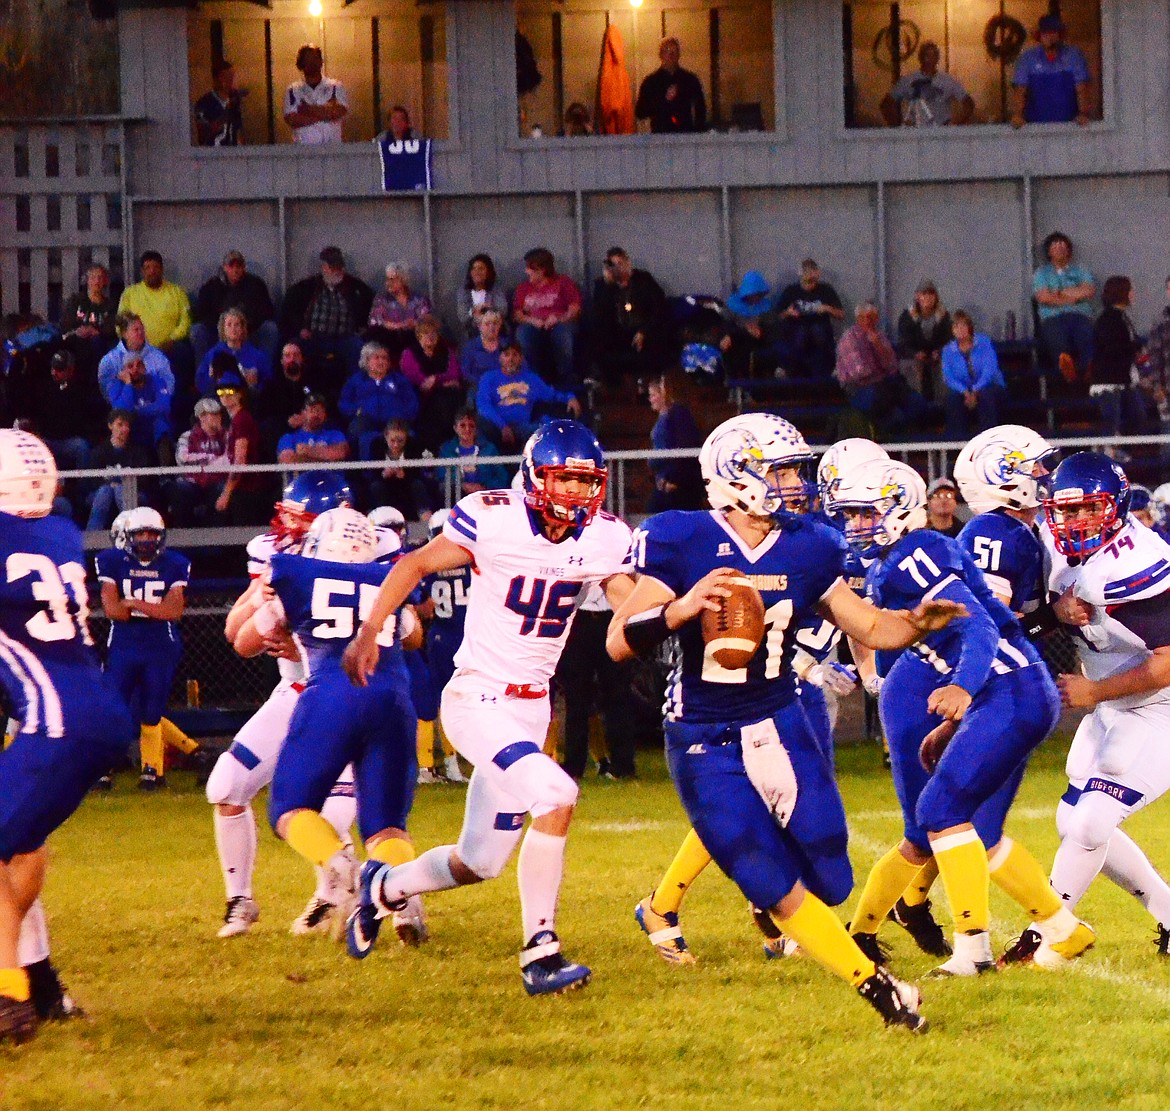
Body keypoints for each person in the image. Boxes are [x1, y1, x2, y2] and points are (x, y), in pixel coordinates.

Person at [607, 413, 966, 1028]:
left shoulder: (809, 545)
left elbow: (869, 625)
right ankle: (879, 991)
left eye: (793, 470)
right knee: (771, 880)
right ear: (735, 474)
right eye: (778, 469)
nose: (793, 482)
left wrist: (914, 624)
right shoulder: (680, 537)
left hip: (778, 716)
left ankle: (767, 883)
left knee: (831, 875)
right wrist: (682, 607)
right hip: (700, 731)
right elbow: (618, 640)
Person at [341, 421, 635, 995]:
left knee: (479, 861)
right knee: (557, 794)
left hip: (531, 708)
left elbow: (628, 601)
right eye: (563, 480)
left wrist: (672, 610)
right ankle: (540, 953)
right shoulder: (494, 517)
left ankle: (383, 888)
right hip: (477, 698)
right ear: (533, 477)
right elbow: (414, 565)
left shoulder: (603, 537)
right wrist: (372, 629)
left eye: (585, 483)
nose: (575, 494)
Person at [836, 455, 1093, 975]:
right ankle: (1059, 932)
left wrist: (959, 689)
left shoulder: (915, 552)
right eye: (851, 515)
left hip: (1009, 688)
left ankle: (986, 947)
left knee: (939, 813)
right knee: (962, 822)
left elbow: (979, 627)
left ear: (897, 509)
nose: (854, 525)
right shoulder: (893, 559)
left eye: (865, 514)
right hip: (1005, 692)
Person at [1001, 451, 1170, 965]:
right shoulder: (1055, 548)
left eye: (1088, 511)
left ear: (1115, 507)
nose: (1074, 523)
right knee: (1074, 819)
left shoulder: (1137, 561)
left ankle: (1047, 934)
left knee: (1090, 823)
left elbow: (1167, 663)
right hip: (1114, 703)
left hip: (1160, 705)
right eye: (1066, 512)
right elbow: (1033, 627)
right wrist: (1052, 615)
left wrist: (1094, 694)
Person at [0, 430, 135, 1043]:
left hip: (54, 717)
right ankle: (39, 982)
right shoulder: (58, 533)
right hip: (96, 710)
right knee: (21, 841)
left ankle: (8, 999)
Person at [207, 473, 360, 939]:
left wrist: (309, 645)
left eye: (302, 520)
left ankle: (343, 895)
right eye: (288, 517)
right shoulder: (278, 557)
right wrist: (265, 601)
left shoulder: (361, 555)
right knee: (226, 785)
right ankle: (241, 899)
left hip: (344, 696)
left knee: (331, 815)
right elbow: (238, 634)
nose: (290, 529)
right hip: (293, 694)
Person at [97, 506, 204, 789]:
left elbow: (173, 611)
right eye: (140, 533)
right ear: (127, 536)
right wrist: (152, 609)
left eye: (151, 533)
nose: (146, 539)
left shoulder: (175, 563)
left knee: (152, 710)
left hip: (160, 647)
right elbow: (113, 610)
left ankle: (152, 770)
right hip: (124, 645)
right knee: (113, 708)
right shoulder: (111, 561)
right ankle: (102, 767)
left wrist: (133, 603)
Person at [416, 508, 472, 785]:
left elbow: (424, 609)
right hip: (472, 636)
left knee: (441, 702)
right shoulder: (473, 563)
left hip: (441, 637)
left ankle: (441, 764)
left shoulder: (430, 568)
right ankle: (459, 761)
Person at [280, 247, 373, 393]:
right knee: (293, 348)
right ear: (323, 267)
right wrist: (300, 329)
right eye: (332, 267)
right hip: (314, 337)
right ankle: (298, 391)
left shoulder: (357, 288)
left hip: (345, 338)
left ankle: (354, 391)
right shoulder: (305, 288)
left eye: (339, 267)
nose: (337, 270)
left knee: (359, 348)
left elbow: (370, 310)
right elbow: (287, 313)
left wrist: (362, 329)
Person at [835, 302, 928, 438]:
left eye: (875, 317)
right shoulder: (849, 339)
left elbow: (892, 366)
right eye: (869, 317)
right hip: (859, 389)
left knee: (917, 402)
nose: (873, 321)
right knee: (893, 413)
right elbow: (859, 372)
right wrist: (880, 372)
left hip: (885, 384)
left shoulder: (880, 336)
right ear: (859, 318)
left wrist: (878, 346)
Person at [116, 251, 194, 408]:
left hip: (169, 347)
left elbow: (185, 322)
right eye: (147, 267)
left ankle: (175, 401)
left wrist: (171, 340)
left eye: (156, 267)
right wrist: (135, 343)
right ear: (142, 271)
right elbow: (120, 324)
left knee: (183, 351)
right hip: (137, 349)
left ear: (162, 269)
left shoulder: (177, 292)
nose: (152, 271)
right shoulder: (130, 294)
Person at [475, 342, 581, 450]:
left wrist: (570, 397)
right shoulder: (489, 378)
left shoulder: (531, 379)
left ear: (521, 358)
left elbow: (551, 394)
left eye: (515, 355)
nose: (511, 359)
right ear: (500, 358)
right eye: (506, 355)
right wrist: (503, 426)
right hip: (496, 427)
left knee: (546, 428)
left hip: (523, 427)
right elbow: (483, 406)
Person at [590, 247, 671, 386]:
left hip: (643, 328)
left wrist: (643, 331)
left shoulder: (644, 280)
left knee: (657, 341)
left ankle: (649, 383)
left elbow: (659, 308)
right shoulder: (602, 285)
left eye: (620, 263)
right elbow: (600, 314)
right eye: (614, 265)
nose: (618, 268)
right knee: (599, 341)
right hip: (618, 331)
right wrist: (609, 286)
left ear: (628, 262)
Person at [191, 251, 278, 368]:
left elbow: (267, 311)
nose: (235, 270)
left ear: (244, 267)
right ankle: (204, 375)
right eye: (231, 266)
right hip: (219, 333)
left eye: (239, 266)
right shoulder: (211, 286)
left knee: (270, 328)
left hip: (249, 331)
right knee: (197, 330)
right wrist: (224, 327)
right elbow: (200, 313)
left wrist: (245, 326)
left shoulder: (256, 285)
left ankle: (265, 372)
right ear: (225, 268)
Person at [512, 248, 582, 388]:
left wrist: (559, 318)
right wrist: (532, 321)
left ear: (541, 269)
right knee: (523, 334)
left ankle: (566, 381)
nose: (527, 272)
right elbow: (517, 315)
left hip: (560, 323)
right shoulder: (524, 288)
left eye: (530, 268)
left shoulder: (563, 282)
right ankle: (533, 381)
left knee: (563, 335)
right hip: (534, 324)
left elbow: (575, 309)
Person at [1091, 275, 1148, 444]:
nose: (1133, 294)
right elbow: (1112, 347)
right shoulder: (1108, 319)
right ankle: (1106, 452)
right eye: (1130, 290)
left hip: (1124, 378)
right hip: (1109, 379)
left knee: (1137, 416)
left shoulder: (1122, 318)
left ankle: (1122, 449)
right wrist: (1133, 349)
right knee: (1111, 419)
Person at [338, 341, 419, 459]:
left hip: (395, 423)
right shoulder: (355, 381)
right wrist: (357, 410)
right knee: (360, 433)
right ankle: (366, 474)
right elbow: (343, 404)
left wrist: (401, 415)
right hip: (366, 423)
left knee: (409, 434)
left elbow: (413, 403)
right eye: (377, 358)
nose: (381, 362)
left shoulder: (399, 380)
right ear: (367, 361)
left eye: (385, 358)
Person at [1033, 231, 1095, 382]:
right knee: (1057, 338)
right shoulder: (1042, 273)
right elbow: (1044, 297)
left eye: (1063, 246)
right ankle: (1066, 368)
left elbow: (1088, 291)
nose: (1060, 249)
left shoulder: (1080, 270)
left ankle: (1089, 367)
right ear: (1049, 251)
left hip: (1080, 316)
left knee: (1087, 335)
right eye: (1055, 246)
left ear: (1069, 250)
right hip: (1052, 317)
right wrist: (1073, 297)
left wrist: (1058, 294)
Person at [1011, 14, 1092, 127]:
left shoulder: (1073, 56)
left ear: (1061, 34)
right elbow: (1020, 91)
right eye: (1045, 33)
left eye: (1054, 32)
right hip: (1035, 126)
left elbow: (1082, 89)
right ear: (1039, 35)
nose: (1050, 37)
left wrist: (1084, 114)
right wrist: (1018, 116)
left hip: (1069, 126)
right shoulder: (1028, 58)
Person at [399, 317, 464, 453]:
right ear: (419, 336)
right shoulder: (409, 354)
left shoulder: (447, 352)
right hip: (419, 396)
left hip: (444, 397)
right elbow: (416, 379)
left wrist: (435, 379)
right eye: (425, 333)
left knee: (449, 398)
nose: (430, 336)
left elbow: (454, 374)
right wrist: (441, 381)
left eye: (433, 333)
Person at [774, 260, 844, 380]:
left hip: (821, 331)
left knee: (817, 330)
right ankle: (790, 370)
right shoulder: (791, 291)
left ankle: (829, 368)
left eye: (813, 281)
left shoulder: (826, 290)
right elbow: (777, 316)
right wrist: (788, 312)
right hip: (796, 330)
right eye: (807, 281)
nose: (811, 285)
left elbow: (841, 315)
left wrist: (828, 309)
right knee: (801, 333)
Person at [940, 310, 1004, 440]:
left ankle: (989, 441)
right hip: (964, 391)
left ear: (970, 327)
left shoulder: (984, 343)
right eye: (956, 326)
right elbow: (948, 377)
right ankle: (957, 443)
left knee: (986, 395)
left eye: (963, 325)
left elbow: (989, 371)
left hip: (989, 386)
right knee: (953, 399)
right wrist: (965, 392)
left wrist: (975, 390)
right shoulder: (947, 350)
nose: (960, 330)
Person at [880, 41, 973, 128]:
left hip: (942, 134)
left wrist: (956, 126)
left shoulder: (947, 80)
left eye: (934, 56)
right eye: (927, 55)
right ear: (920, 57)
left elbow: (968, 103)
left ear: (938, 58)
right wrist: (897, 128)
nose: (930, 59)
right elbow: (886, 104)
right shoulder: (908, 80)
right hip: (916, 134)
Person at [646, 371, 703, 512]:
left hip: (677, 483)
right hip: (666, 480)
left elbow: (683, 447)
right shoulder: (669, 416)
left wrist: (674, 479)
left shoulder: (679, 414)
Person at [169, 397, 231, 526]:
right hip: (193, 483)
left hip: (216, 482)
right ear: (202, 417)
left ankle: (216, 535)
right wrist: (210, 458)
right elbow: (182, 458)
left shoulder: (227, 435)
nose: (217, 417)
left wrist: (206, 462)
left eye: (218, 414)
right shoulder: (187, 436)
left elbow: (229, 458)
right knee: (180, 486)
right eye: (213, 414)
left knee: (224, 489)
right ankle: (184, 532)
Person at [215, 374, 268, 525]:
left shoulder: (241, 420)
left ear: (239, 394)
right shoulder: (235, 420)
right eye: (221, 392)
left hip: (246, 489)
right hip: (243, 488)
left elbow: (240, 461)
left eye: (230, 391)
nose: (225, 395)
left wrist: (226, 493)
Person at [85, 409, 151, 531]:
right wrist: (111, 485)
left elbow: (144, 481)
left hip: (133, 492)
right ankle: (92, 535)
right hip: (101, 493)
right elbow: (92, 481)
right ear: (110, 426)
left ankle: (131, 531)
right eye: (120, 424)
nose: (124, 429)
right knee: (105, 491)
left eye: (127, 425)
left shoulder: (138, 452)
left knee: (121, 491)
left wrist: (120, 485)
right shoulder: (98, 452)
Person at [106, 350, 175, 464]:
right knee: (123, 426)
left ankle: (167, 475)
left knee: (161, 424)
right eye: (130, 366)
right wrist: (128, 385)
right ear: (123, 370)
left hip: (153, 428)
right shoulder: (117, 386)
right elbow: (122, 412)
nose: (135, 369)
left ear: (145, 367)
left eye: (139, 365)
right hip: (133, 429)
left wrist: (137, 411)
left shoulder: (156, 380)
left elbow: (164, 407)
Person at [98, 312, 174, 404]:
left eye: (142, 329)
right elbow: (107, 391)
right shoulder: (109, 361)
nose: (141, 332)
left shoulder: (158, 357)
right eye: (136, 330)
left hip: (152, 407)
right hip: (123, 410)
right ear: (124, 334)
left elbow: (169, 384)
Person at [635, 37, 706, 134]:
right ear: (661, 55)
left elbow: (700, 109)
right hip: (660, 137)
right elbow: (640, 112)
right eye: (667, 51)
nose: (671, 55)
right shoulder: (651, 82)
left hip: (685, 136)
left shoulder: (689, 80)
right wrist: (663, 100)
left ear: (679, 55)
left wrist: (698, 134)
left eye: (674, 51)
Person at [196, 308, 272, 397]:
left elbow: (268, 382)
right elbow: (200, 383)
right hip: (219, 399)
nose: (233, 328)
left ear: (243, 328)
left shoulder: (257, 356)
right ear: (223, 329)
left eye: (237, 325)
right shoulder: (212, 354)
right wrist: (211, 378)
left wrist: (255, 383)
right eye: (229, 325)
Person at [367, 420, 435, 520]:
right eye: (392, 440)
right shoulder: (376, 446)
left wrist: (405, 474)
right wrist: (383, 474)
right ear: (386, 437)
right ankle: (376, 520)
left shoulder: (414, 446)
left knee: (418, 485)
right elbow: (372, 471)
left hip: (407, 482)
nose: (396, 445)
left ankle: (426, 519)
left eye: (400, 441)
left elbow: (417, 472)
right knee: (375, 487)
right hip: (384, 482)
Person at [897, 281, 952, 401]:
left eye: (931, 294)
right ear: (917, 296)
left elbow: (949, 340)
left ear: (936, 297)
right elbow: (903, 342)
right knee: (913, 368)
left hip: (936, 357)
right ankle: (917, 404)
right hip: (913, 357)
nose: (927, 297)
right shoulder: (907, 316)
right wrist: (915, 353)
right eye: (924, 293)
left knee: (945, 366)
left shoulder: (944, 316)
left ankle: (941, 406)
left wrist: (939, 351)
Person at [366, 262, 433, 359]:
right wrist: (398, 325)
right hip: (390, 339)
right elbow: (375, 321)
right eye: (387, 279)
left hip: (414, 337)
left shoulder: (419, 298)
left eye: (392, 279)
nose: (388, 283)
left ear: (403, 280)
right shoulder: (382, 299)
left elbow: (427, 320)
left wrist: (414, 323)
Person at [284, 44, 347, 144]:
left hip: (333, 151)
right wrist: (325, 113)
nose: (311, 62)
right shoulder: (293, 90)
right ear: (300, 63)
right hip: (304, 152)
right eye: (307, 59)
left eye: (315, 58)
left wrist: (307, 109)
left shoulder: (335, 86)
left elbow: (338, 112)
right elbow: (292, 119)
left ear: (321, 61)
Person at [438, 407, 509, 496]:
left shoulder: (489, 448)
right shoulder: (447, 449)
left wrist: (484, 487)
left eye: (471, 425)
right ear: (455, 428)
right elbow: (441, 475)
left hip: (485, 494)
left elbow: (502, 477)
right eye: (462, 425)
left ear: (476, 429)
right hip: (458, 495)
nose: (467, 429)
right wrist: (463, 485)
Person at [60, 263, 118, 371]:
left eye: (100, 278)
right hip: (76, 343)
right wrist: (79, 331)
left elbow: (112, 328)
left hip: (99, 345)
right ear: (87, 280)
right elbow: (66, 323)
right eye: (93, 277)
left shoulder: (110, 305)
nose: (96, 281)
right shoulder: (75, 301)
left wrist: (95, 331)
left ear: (105, 281)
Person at [276, 394, 349, 465]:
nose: (316, 415)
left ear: (325, 415)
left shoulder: (335, 435)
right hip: (301, 477)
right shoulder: (288, 438)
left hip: (329, 476)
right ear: (303, 413)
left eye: (320, 411)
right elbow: (288, 460)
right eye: (312, 410)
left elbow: (340, 454)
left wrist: (308, 451)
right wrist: (323, 455)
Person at [456, 254, 509, 340]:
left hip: (495, 330)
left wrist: (484, 311)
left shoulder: (496, 289)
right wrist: (473, 311)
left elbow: (503, 311)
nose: (477, 272)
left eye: (481, 268)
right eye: (474, 269)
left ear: (488, 272)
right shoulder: (463, 291)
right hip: (472, 331)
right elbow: (463, 317)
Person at [194, 59, 243, 147]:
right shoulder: (204, 103)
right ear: (220, 79)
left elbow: (237, 133)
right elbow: (203, 134)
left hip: (233, 157)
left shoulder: (235, 102)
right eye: (230, 77)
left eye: (234, 77)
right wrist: (226, 115)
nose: (235, 81)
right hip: (213, 157)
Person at [459, 308, 506, 388]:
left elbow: (520, 367)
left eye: (495, 323)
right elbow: (466, 372)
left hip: (505, 386)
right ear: (480, 326)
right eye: (487, 324)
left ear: (499, 325)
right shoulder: (471, 346)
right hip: (479, 387)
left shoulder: (507, 344)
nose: (492, 327)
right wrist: (486, 383)